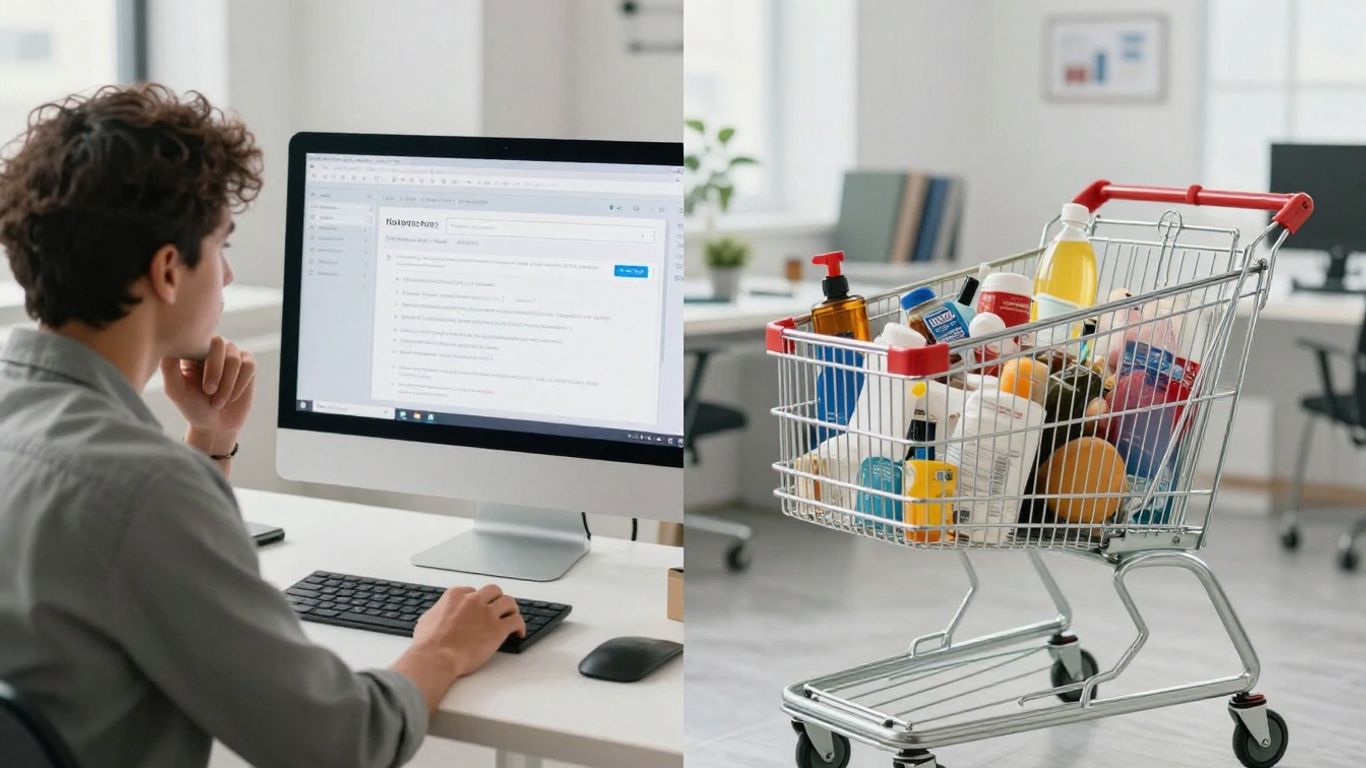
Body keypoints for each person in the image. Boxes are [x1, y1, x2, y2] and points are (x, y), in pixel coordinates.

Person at [0, 83, 524, 768]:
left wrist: (208, 447)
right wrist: (444, 646)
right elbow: (339, 744)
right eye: (220, 245)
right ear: (166, 270)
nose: (227, 272)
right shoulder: (142, 487)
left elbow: (121, 573)